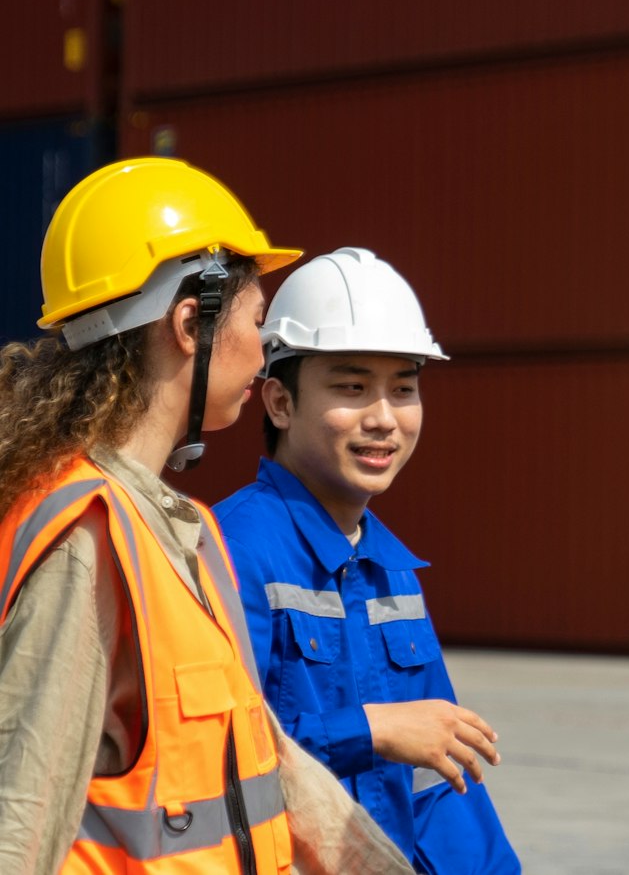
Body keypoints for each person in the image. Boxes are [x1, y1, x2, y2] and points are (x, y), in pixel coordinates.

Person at [0, 157, 413, 873]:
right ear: (192, 323)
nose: (264, 351)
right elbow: (20, 817)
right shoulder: (88, 537)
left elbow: (267, 758)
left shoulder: (182, 529)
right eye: (259, 320)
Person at [215, 247, 521, 873]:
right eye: (352, 387)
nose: (384, 419)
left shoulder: (393, 570)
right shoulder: (229, 550)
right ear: (279, 403)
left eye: (403, 389)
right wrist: (371, 731)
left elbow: (440, 781)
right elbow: (209, 757)